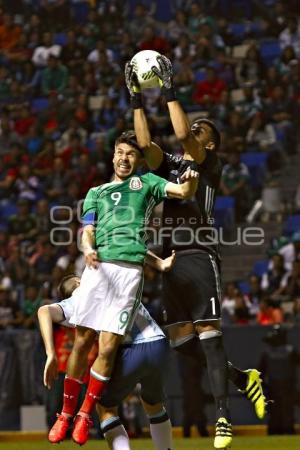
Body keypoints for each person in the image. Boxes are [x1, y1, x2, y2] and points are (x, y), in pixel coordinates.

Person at [125, 56, 266, 449]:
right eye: (195, 126)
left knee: (209, 335)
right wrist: (136, 97)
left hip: (200, 253)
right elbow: (142, 146)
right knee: (182, 341)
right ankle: (241, 378)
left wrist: (168, 89)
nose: (194, 131)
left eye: (202, 129)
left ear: (211, 143)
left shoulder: (209, 162)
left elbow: (185, 135)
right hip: (170, 257)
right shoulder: (170, 166)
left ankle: (223, 416)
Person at [48, 130, 198, 445]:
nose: (124, 158)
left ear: (139, 160)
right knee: (82, 341)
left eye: (130, 154)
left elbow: (184, 191)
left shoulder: (148, 184)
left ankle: (85, 414)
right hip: (97, 267)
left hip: (129, 273)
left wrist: (192, 176)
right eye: (120, 152)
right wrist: (87, 248)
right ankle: (65, 414)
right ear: (113, 154)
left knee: (107, 347)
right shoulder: (96, 192)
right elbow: (87, 230)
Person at [39, 256, 176, 449]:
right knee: (153, 405)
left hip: (132, 350)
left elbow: (44, 311)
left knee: (105, 407)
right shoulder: (106, 279)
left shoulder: (76, 303)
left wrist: (50, 353)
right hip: (159, 344)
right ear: (79, 281)